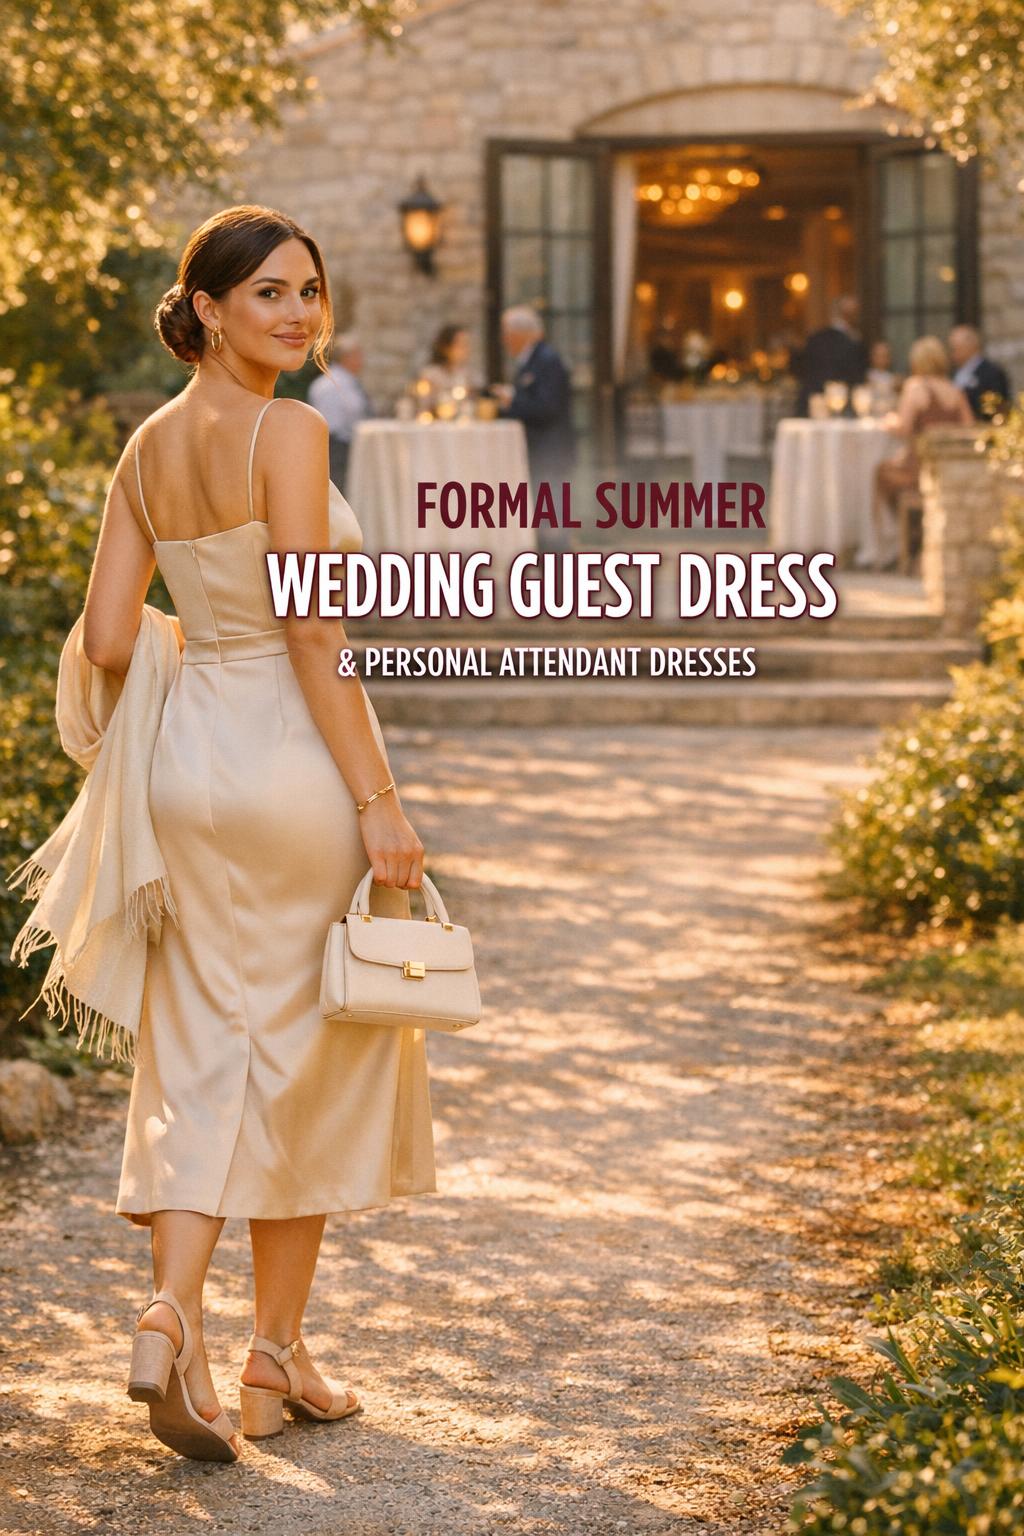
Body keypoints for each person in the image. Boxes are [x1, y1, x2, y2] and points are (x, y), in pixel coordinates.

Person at [74, 205, 436, 1461]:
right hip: (290, 766)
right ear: (208, 309)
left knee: (199, 1052)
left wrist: (205, 646)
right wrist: (380, 802)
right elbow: (314, 631)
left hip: (188, 767)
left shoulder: (146, 448)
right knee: (309, 1055)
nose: (296, 314)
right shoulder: (289, 431)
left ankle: (179, 1321)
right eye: (268, 292)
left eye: (308, 292)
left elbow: (109, 640)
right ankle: (269, 1346)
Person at [872, 334, 974, 569]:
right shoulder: (955, 390)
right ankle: (916, 539)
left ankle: (899, 545)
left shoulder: (916, 386)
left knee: (880, 473)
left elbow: (904, 428)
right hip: (949, 469)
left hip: (919, 467)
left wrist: (889, 421)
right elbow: (968, 429)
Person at [306, 331, 371, 489]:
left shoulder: (347, 382)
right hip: (337, 451)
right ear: (347, 358)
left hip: (346, 447)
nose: (362, 360)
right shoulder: (330, 385)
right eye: (358, 355)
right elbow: (331, 426)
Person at [796, 295, 868, 416]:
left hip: (813, 400)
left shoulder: (815, 337)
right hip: (837, 402)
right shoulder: (851, 342)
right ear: (848, 314)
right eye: (855, 313)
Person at [948, 324, 1011, 421]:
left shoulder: (992, 372)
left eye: (955, 348)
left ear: (969, 347)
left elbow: (998, 407)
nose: (952, 354)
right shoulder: (953, 373)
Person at [421, 323, 477, 394]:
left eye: (466, 344)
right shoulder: (431, 375)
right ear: (446, 347)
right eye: (460, 344)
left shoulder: (469, 375)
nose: (465, 349)